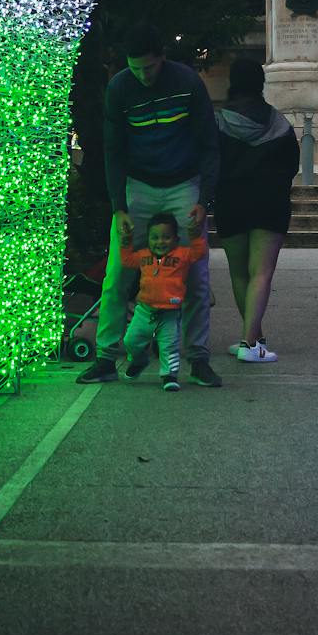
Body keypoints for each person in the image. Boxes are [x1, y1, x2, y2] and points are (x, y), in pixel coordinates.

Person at [76, 20, 222, 387]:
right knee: (116, 275)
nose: (142, 75)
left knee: (196, 276)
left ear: (162, 57)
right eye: (136, 68)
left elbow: (209, 144)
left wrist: (204, 201)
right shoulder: (120, 87)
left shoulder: (187, 83)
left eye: (149, 67)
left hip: (183, 183)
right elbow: (113, 150)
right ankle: (106, 357)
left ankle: (198, 359)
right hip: (138, 186)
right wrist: (119, 207)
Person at [214, 57, 300, 362]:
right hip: (270, 201)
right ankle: (251, 341)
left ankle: (252, 338)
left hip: (230, 199)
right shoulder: (279, 124)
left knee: (239, 273)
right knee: (261, 273)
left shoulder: (219, 121)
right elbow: (292, 165)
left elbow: (210, 161)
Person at [121, 212, 208, 391]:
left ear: (176, 239)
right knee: (130, 340)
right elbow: (127, 260)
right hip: (145, 311)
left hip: (170, 314)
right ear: (148, 239)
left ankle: (170, 375)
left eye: (166, 237)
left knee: (169, 347)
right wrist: (126, 241)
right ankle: (139, 360)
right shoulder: (144, 256)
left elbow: (199, 253)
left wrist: (195, 235)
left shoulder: (182, 255)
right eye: (155, 237)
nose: (160, 242)